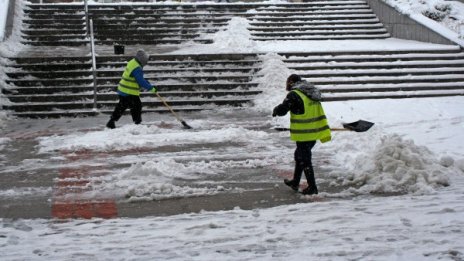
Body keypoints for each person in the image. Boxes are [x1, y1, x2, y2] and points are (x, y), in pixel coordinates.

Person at [272, 74, 331, 195]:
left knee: (305, 159)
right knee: (300, 156)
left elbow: (283, 110)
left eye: (287, 83)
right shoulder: (310, 92)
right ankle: (295, 181)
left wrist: (276, 110)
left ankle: (312, 187)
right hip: (313, 131)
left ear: (291, 82)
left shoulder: (294, 94)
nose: (286, 85)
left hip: (305, 133)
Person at [106, 49, 157, 129]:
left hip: (123, 89)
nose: (146, 62)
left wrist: (146, 82)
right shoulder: (137, 68)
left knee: (122, 106)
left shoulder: (133, 62)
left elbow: (137, 78)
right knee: (137, 106)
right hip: (129, 91)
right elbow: (140, 81)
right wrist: (151, 88)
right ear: (142, 60)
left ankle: (111, 121)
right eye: (146, 60)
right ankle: (137, 123)